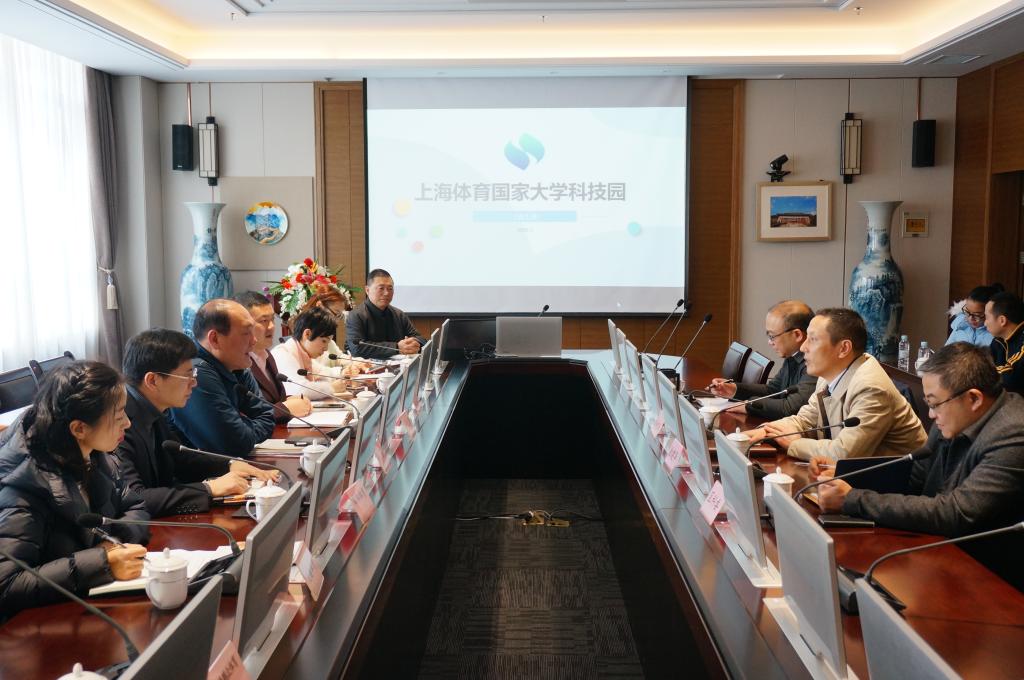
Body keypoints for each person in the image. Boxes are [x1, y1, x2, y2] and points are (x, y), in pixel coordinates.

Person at [815, 343, 1024, 591]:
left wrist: (852, 499)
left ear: (974, 398)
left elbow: (956, 513)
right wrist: (845, 475)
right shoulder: (955, 416)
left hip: (991, 580)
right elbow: (914, 477)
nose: (931, 415)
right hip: (940, 552)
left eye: (934, 404)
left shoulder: (1013, 434)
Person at [0, 362, 149, 618]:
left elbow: (135, 505)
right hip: (40, 629)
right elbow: (7, 584)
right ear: (79, 428)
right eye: (118, 417)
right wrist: (100, 563)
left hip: (88, 607)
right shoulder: (23, 488)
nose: (127, 423)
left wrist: (112, 543)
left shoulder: (95, 456)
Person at [116, 329, 277, 517]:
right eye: (187, 376)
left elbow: (181, 460)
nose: (194, 383)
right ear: (153, 380)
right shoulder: (119, 421)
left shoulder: (152, 408)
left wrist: (230, 465)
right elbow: (134, 498)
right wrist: (208, 489)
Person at [742, 308, 927, 461]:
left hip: (899, 485)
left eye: (812, 339)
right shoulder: (830, 374)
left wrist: (794, 444)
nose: (803, 347)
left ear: (843, 348)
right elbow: (805, 420)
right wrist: (767, 431)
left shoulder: (871, 388)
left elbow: (844, 454)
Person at [168, 299, 275, 457]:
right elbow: (233, 445)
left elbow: (267, 415)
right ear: (215, 339)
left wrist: (243, 428)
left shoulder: (236, 365)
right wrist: (243, 430)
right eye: (246, 333)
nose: (254, 340)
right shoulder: (195, 373)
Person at [709, 300, 817, 419]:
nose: (769, 342)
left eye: (772, 336)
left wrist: (750, 405)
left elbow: (791, 407)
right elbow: (773, 390)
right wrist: (734, 389)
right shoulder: (792, 356)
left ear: (797, 335)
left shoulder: (815, 363)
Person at [235, 291, 313, 423]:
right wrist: (285, 409)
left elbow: (275, 399)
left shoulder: (267, 354)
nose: (271, 326)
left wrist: (292, 400)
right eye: (264, 321)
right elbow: (245, 416)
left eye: (272, 319)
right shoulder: (237, 363)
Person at [345, 269, 425, 360]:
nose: (386, 293)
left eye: (390, 289)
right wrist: (397, 347)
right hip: (369, 366)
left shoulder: (398, 314)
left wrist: (413, 343)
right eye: (381, 288)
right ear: (367, 290)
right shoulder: (356, 315)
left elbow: (420, 338)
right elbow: (357, 348)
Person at [273, 307, 349, 400]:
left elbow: (323, 372)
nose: (326, 349)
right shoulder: (283, 353)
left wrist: (344, 373)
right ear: (307, 334)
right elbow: (299, 390)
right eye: (324, 341)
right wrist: (331, 388)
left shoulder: (303, 353)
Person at [984, 291, 1024, 394]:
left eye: (987, 317)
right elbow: (984, 362)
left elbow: (1011, 378)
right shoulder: (999, 340)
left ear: (1002, 320)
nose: (985, 323)